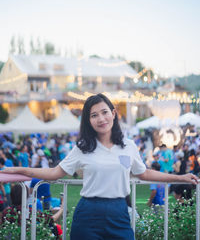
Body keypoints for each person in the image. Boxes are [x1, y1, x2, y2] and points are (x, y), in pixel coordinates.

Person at [0, 93, 198, 240]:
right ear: (89, 120)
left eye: (104, 112)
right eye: (94, 115)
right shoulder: (83, 147)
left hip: (119, 212)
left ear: (113, 114)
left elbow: (144, 173)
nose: (101, 118)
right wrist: (20, 170)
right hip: (88, 215)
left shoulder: (128, 146)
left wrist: (180, 178)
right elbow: (54, 173)